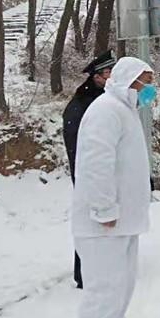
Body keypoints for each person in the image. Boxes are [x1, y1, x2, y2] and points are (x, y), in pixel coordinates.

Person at [71, 57, 153, 318]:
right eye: (146, 81)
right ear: (130, 80)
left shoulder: (125, 110)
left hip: (124, 222)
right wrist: (104, 208)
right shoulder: (105, 111)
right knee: (103, 292)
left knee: (121, 290)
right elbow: (96, 163)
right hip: (103, 223)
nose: (150, 88)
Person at [63, 50, 116, 289]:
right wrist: (89, 173)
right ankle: (85, 272)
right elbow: (79, 144)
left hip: (101, 170)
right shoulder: (84, 104)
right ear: (96, 77)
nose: (112, 78)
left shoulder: (103, 99)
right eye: (108, 73)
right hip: (89, 172)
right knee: (90, 222)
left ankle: (102, 267)